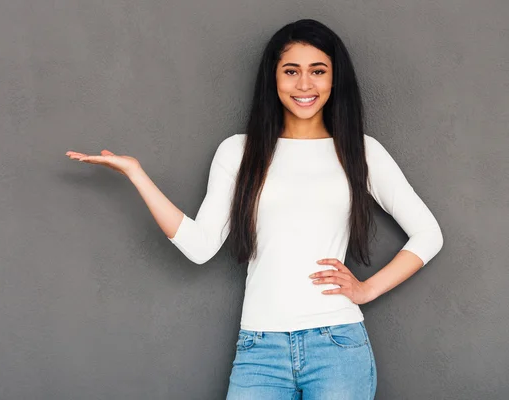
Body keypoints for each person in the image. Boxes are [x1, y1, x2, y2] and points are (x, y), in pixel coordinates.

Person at [66, 18, 443, 400]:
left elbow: (429, 234)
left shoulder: (361, 151)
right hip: (259, 349)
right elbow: (200, 247)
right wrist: (136, 174)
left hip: (337, 346)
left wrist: (367, 289)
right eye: (291, 71)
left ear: (334, 79)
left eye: (318, 71)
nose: (304, 85)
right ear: (274, 78)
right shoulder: (238, 151)